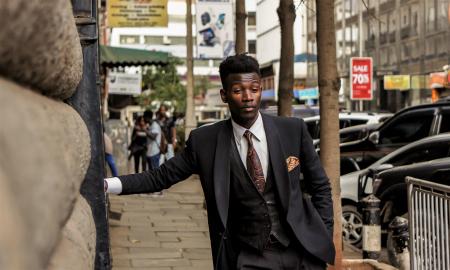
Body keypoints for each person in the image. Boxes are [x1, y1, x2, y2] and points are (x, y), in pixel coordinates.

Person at [105, 54, 335, 270]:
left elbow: (320, 187)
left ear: (260, 90)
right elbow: (160, 177)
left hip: (300, 252)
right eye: (238, 90)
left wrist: (322, 235)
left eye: (254, 89)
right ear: (225, 95)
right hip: (248, 257)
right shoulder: (205, 142)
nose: (248, 97)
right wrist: (107, 185)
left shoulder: (292, 130)